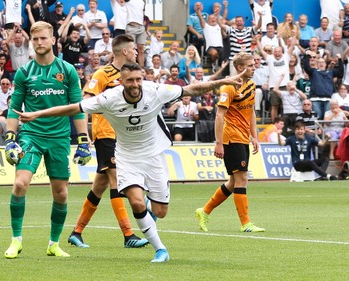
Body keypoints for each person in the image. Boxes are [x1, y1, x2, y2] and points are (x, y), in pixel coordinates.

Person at [14, 62, 246, 263]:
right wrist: (36, 114)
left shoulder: (155, 90)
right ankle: (160, 249)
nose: (135, 84)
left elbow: (192, 89)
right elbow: (74, 108)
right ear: (122, 82)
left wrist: (224, 81)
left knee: (160, 211)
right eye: (130, 80)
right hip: (126, 158)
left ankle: (149, 204)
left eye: (138, 79)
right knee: (135, 203)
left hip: (154, 157)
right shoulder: (109, 98)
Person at [3, 21, 92, 259]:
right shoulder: (24, 73)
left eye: (43, 38)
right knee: (20, 184)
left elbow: (78, 108)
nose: (39, 43)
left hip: (59, 138)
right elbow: (14, 109)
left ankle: (53, 244)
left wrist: (83, 139)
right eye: (35, 40)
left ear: (53, 40)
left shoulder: (68, 71)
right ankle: (16, 240)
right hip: (31, 135)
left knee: (61, 193)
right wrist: (10, 138)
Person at [67, 35, 148, 249]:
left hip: (122, 135)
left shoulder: (130, 77)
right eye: (134, 49)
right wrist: (84, 137)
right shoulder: (102, 74)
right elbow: (85, 102)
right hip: (105, 134)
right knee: (117, 180)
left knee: (99, 187)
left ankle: (76, 232)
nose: (137, 52)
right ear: (124, 52)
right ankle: (128, 234)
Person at [195, 52, 265, 233]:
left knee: (233, 182)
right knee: (242, 179)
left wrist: (254, 135)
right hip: (231, 137)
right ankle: (246, 223)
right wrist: (218, 143)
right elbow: (219, 116)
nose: (254, 67)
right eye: (250, 65)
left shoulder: (251, 85)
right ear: (240, 68)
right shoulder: (228, 87)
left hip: (243, 138)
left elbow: (250, 113)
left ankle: (204, 211)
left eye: (254, 64)